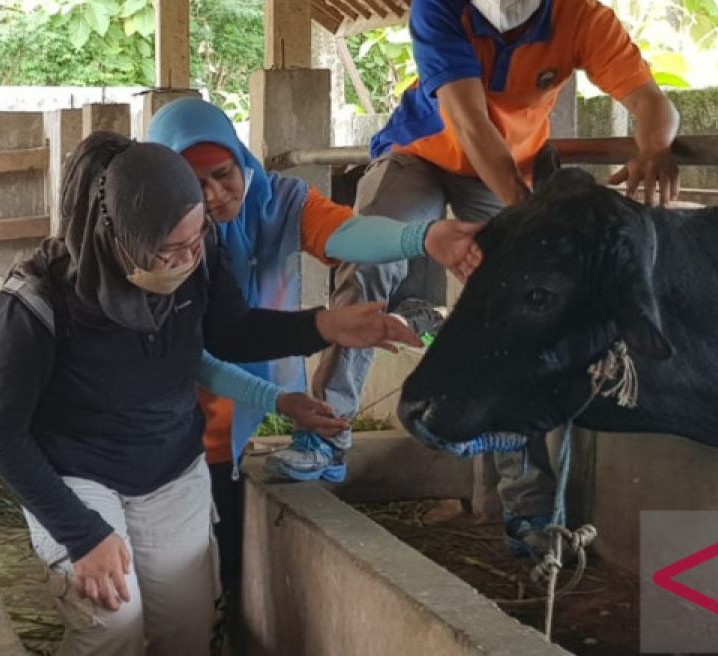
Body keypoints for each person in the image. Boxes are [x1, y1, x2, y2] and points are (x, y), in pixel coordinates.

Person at [266, 0, 681, 560]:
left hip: (505, 172)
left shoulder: (582, 18)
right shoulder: (439, 6)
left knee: (517, 306)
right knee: (372, 259)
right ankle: (327, 432)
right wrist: (523, 214)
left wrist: (655, 142)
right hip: (424, 156)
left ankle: (527, 505)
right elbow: (467, 123)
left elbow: (646, 99)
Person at [0, 131, 418, 655]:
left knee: (185, 628)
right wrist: (81, 534)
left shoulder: (200, 255)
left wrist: (325, 325)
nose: (186, 260)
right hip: (76, 472)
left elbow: (231, 331)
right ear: (119, 239)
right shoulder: (38, 302)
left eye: (195, 240)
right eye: (169, 251)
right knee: (113, 624)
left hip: (168, 464)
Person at [146, 97, 482, 608]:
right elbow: (205, 347)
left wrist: (422, 236)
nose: (215, 196)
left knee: (218, 539)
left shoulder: (277, 200)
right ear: (168, 186)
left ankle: (222, 611)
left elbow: (349, 234)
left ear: (240, 158)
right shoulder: (167, 238)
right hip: (162, 417)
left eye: (222, 174)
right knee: (174, 557)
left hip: (234, 394)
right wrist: (322, 333)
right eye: (195, 185)